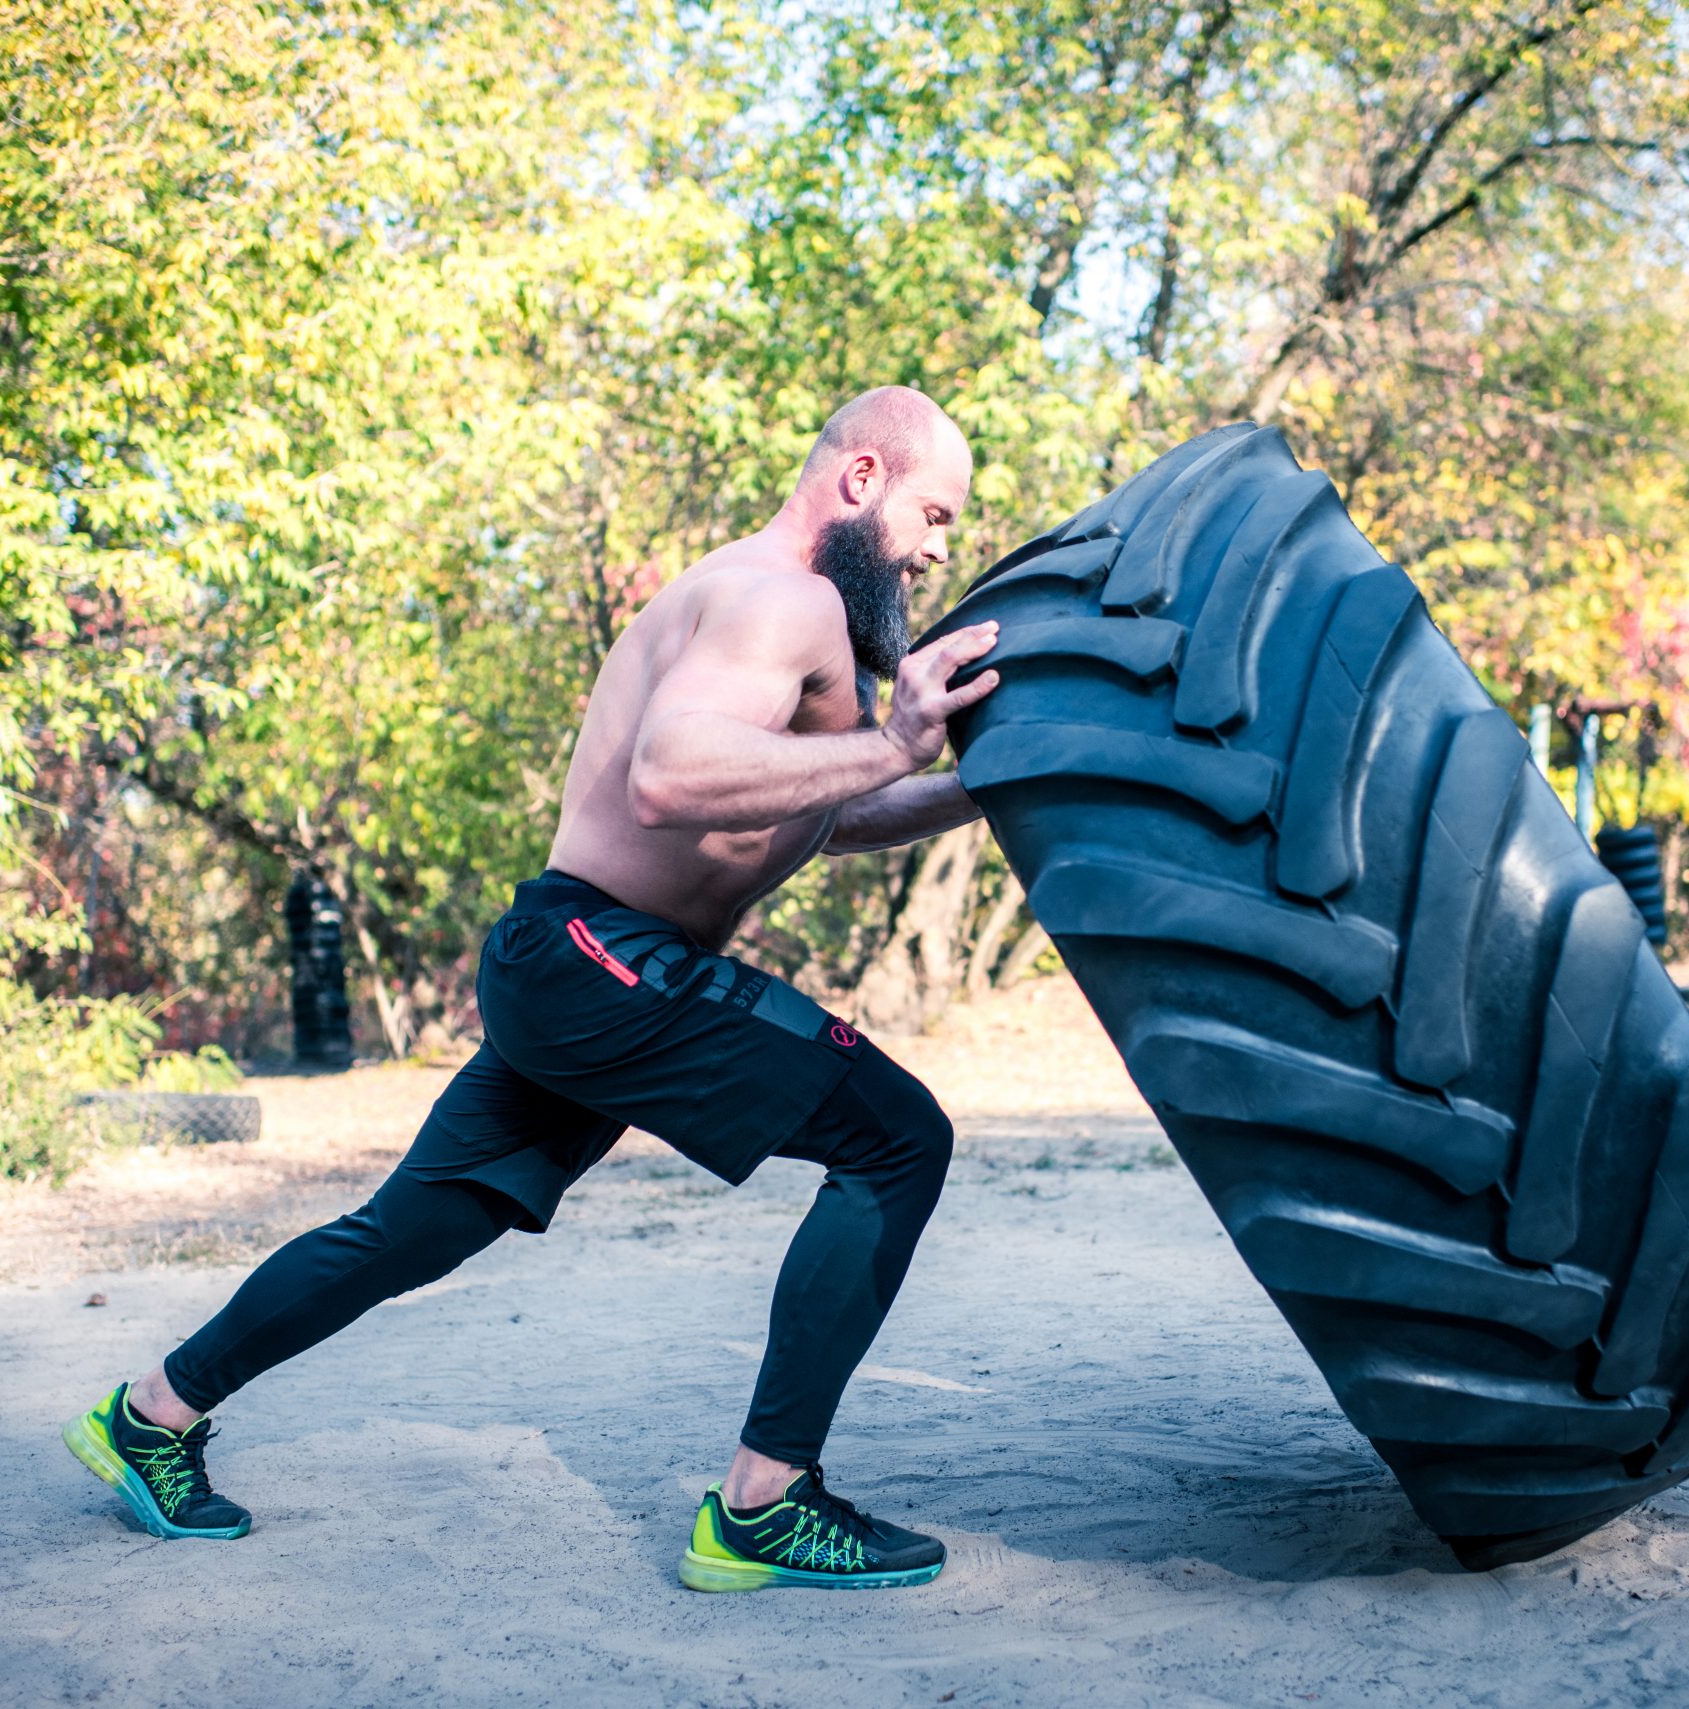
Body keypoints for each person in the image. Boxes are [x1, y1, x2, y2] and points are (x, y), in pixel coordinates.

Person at [62, 386, 1001, 1591]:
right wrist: (894, 741)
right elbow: (670, 775)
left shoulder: (771, 609)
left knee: (413, 1228)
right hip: (603, 960)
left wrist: (985, 785)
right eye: (932, 515)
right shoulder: (786, 596)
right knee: (896, 1135)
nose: (934, 550)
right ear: (861, 479)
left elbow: (825, 804)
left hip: (569, 964)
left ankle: (150, 1413)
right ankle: (764, 1505)